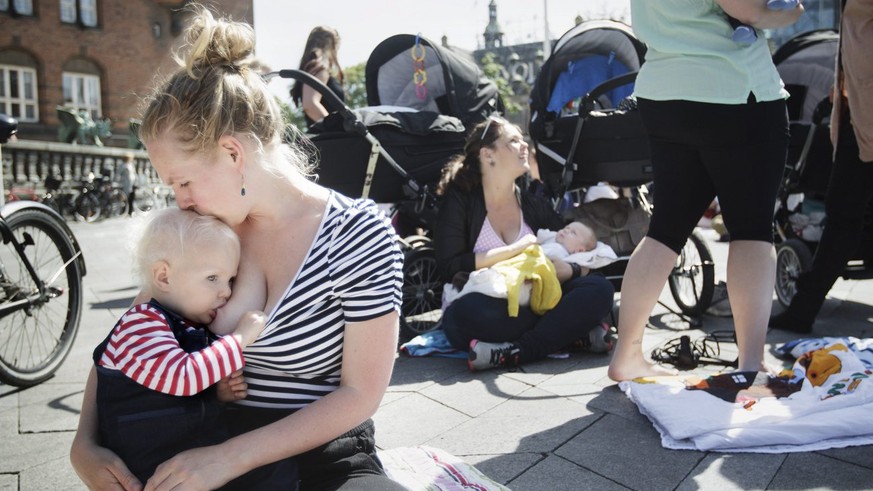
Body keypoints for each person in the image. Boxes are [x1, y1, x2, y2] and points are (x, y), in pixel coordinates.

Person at [70, 5, 405, 491]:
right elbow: (133, 335)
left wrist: (230, 458)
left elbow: (359, 394)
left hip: (317, 452)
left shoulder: (358, 234)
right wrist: (85, 442)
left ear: (232, 153)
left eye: (182, 181)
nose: (179, 200)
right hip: (194, 438)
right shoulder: (201, 231)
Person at [608, 1, 803, 382]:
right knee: (751, 231)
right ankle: (749, 362)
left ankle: (627, 353)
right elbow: (747, 9)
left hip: (663, 90)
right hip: (733, 89)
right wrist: (791, 12)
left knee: (664, 231)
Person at [93, 208, 298, 488]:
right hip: (150, 471)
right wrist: (239, 339)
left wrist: (216, 393)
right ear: (164, 277)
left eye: (230, 280)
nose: (225, 291)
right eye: (212, 278)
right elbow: (182, 377)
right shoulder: (139, 324)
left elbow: (179, 392)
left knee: (277, 472)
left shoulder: (185, 326)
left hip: (189, 459)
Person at [434, 115, 615, 372]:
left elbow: (580, 251)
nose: (525, 147)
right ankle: (568, 334)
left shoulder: (531, 204)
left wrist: (572, 270)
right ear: (488, 155)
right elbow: (449, 266)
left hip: (538, 299)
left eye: (523, 140)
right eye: (513, 141)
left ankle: (518, 351)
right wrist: (514, 251)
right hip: (492, 304)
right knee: (468, 315)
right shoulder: (460, 201)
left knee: (599, 290)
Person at [770, 0, 873, 334]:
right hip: (854, 106)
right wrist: (845, 81)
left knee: (843, 216)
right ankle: (803, 309)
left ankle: (803, 309)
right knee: (843, 215)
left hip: (862, 109)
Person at [290, 25, 345, 129]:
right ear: (331, 46)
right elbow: (310, 105)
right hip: (328, 140)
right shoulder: (318, 70)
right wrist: (335, 130)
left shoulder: (311, 69)